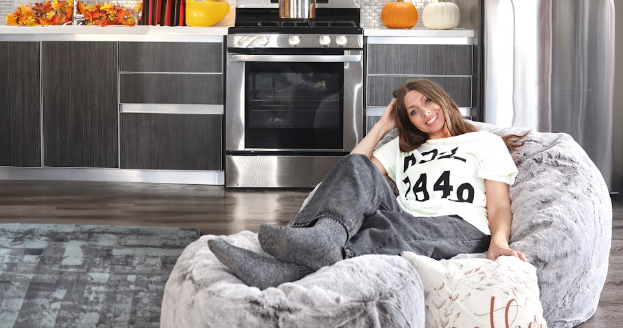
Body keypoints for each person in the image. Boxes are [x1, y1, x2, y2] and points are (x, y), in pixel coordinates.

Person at [209, 78, 529, 289]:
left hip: (460, 228)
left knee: (383, 233)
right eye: (414, 112)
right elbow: (354, 174)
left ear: (443, 100)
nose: (425, 114)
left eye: (428, 102)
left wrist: (498, 242)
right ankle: (318, 238)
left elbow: (498, 204)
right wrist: (382, 126)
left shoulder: (484, 142)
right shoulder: (402, 147)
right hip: (403, 219)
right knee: (356, 165)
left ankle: (281, 271)